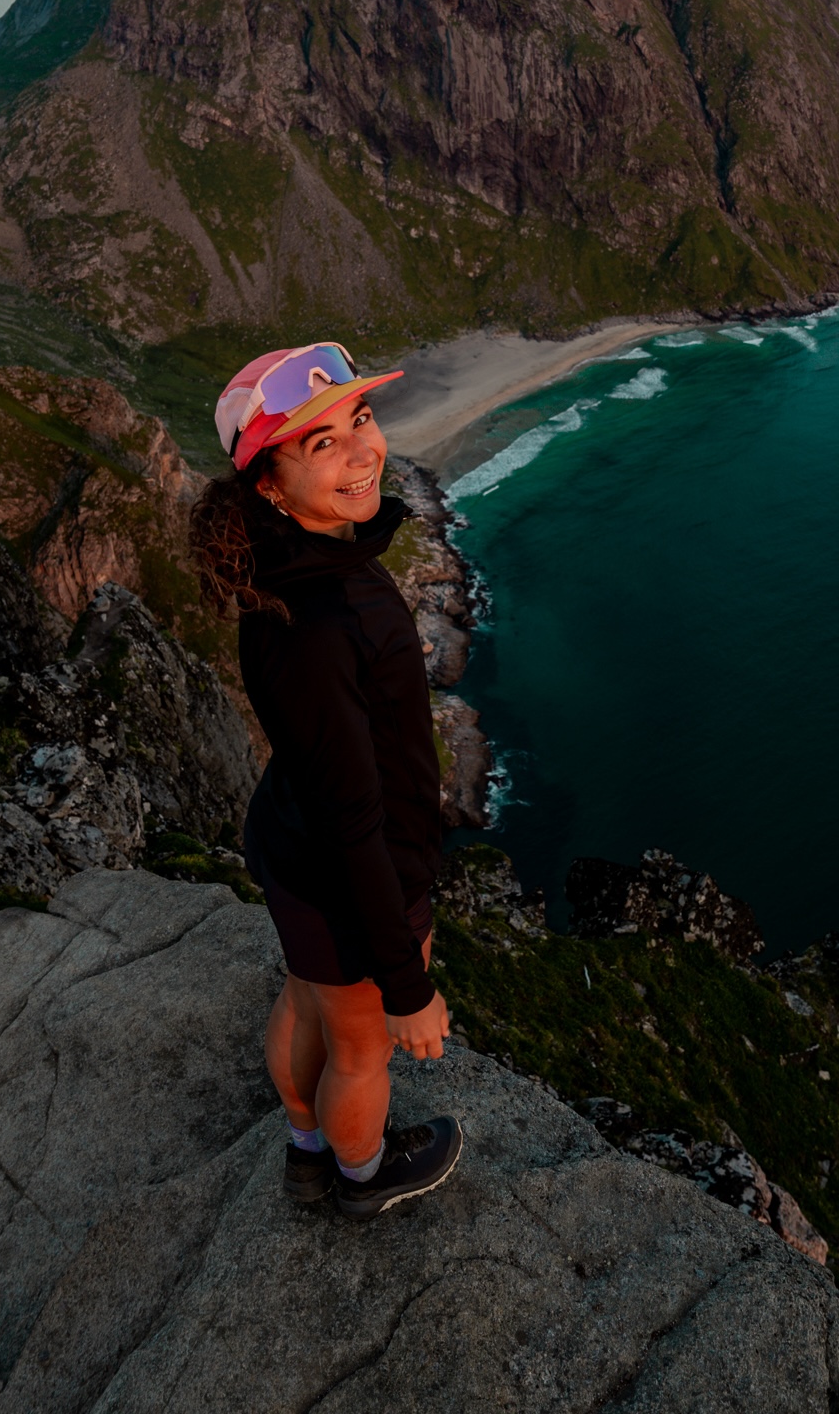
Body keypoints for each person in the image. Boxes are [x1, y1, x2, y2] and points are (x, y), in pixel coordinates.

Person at [190, 342, 462, 1221]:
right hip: (350, 874)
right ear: (269, 484)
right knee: (360, 1049)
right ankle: (361, 1175)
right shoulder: (324, 614)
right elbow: (357, 821)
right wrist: (408, 988)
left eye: (361, 419)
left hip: (291, 850)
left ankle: (309, 1149)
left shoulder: (287, 572)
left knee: (306, 1003)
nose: (361, 452)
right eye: (320, 443)